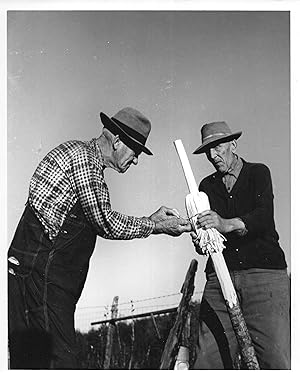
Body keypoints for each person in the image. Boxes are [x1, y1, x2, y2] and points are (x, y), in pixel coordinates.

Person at [8, 107, 192, 369]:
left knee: (28, 363)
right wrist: (155, 225)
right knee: (58, 363)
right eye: (136, 151)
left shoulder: (76, 153)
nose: (137, 160)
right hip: (42, 279)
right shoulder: (85, 162)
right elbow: (106, 222)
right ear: (117, 141)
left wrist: (152, 220)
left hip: (29, 275)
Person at [190, 121, 290, 369]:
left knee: (275, 359)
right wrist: (201, 240)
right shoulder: (206, 187)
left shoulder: (258, 173)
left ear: (233, 144)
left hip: (263, 276)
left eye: (218, 147)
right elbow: (207, 236)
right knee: (207, 361)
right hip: (219, 277)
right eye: (208, 151)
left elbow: (263, 217)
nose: (213, 156)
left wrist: (225, 224)